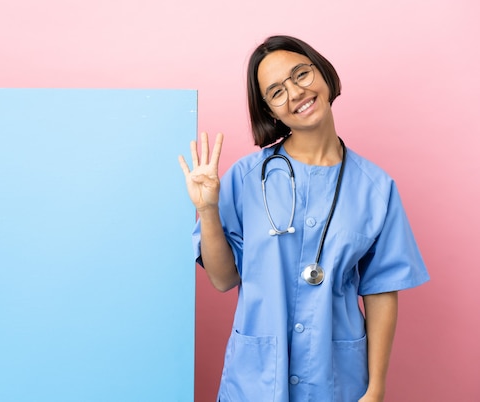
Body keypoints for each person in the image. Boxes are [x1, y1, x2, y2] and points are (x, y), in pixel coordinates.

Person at [178, 35, 430, 402]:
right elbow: (223, 278)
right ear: (269, 110)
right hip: (256, 380)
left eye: (301, 74)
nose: (295, 93)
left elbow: (381, 291)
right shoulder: (247, 177)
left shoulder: (376, 187)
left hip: (336, 379)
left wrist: (376, 388)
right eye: (277, 91)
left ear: (323, 73)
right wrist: (208, 209)